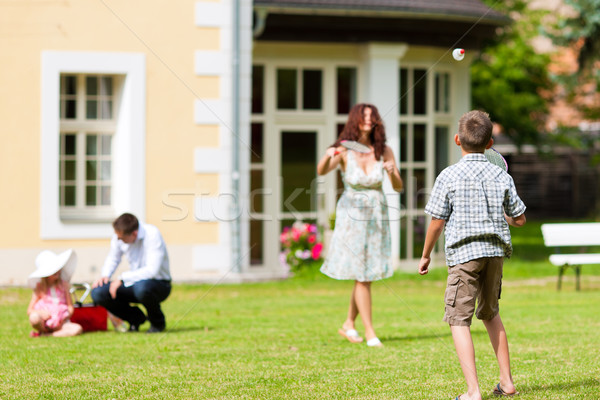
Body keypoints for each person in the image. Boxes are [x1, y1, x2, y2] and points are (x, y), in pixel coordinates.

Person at [418, 110, 526, 400]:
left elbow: (437, 221)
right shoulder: (500, 174)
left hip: (464, 255)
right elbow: (519, 219)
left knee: (458, 319)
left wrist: (425, 255)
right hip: (494, 253)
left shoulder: (448, 175)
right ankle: (507, 382)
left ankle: (473, 391)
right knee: (491, 314)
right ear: (490, 143)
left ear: (457, 140)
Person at [317, 103, 403, 347]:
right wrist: (328, 155)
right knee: (362, 274)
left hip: (377, 217)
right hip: (352, 217)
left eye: (372, 117)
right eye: (364, 117)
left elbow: (398, 186)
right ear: (355, 120)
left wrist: (392, 171)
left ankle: (348, 324)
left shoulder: (383, 150)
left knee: (364, 273)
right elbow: (321, 170)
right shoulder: (344, 149)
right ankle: (370, 331)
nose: (368, 120)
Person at [91, 213, 171, 333]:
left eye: (121, 238)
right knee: (98, 292)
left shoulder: (152, 234)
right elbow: (114, 258)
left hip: (159, 284)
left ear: (134, 234)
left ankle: (157, 323)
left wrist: (122, 278)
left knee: (142, 288)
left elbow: (152, 271)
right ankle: (136, 318)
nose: (118, 240)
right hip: (133, 283)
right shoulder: (120, 234)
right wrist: (105, 275)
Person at [27, 249, 83, 337]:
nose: (57, 271)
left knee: (77, 329)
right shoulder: (40, 288)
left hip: (61, 323)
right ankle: (43, 330)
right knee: (34, 318)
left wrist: (64, 317)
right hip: (45, 322)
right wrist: (41, 313)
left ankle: (48, 335)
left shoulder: (64, 286)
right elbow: (30, 310)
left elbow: (70, 307)